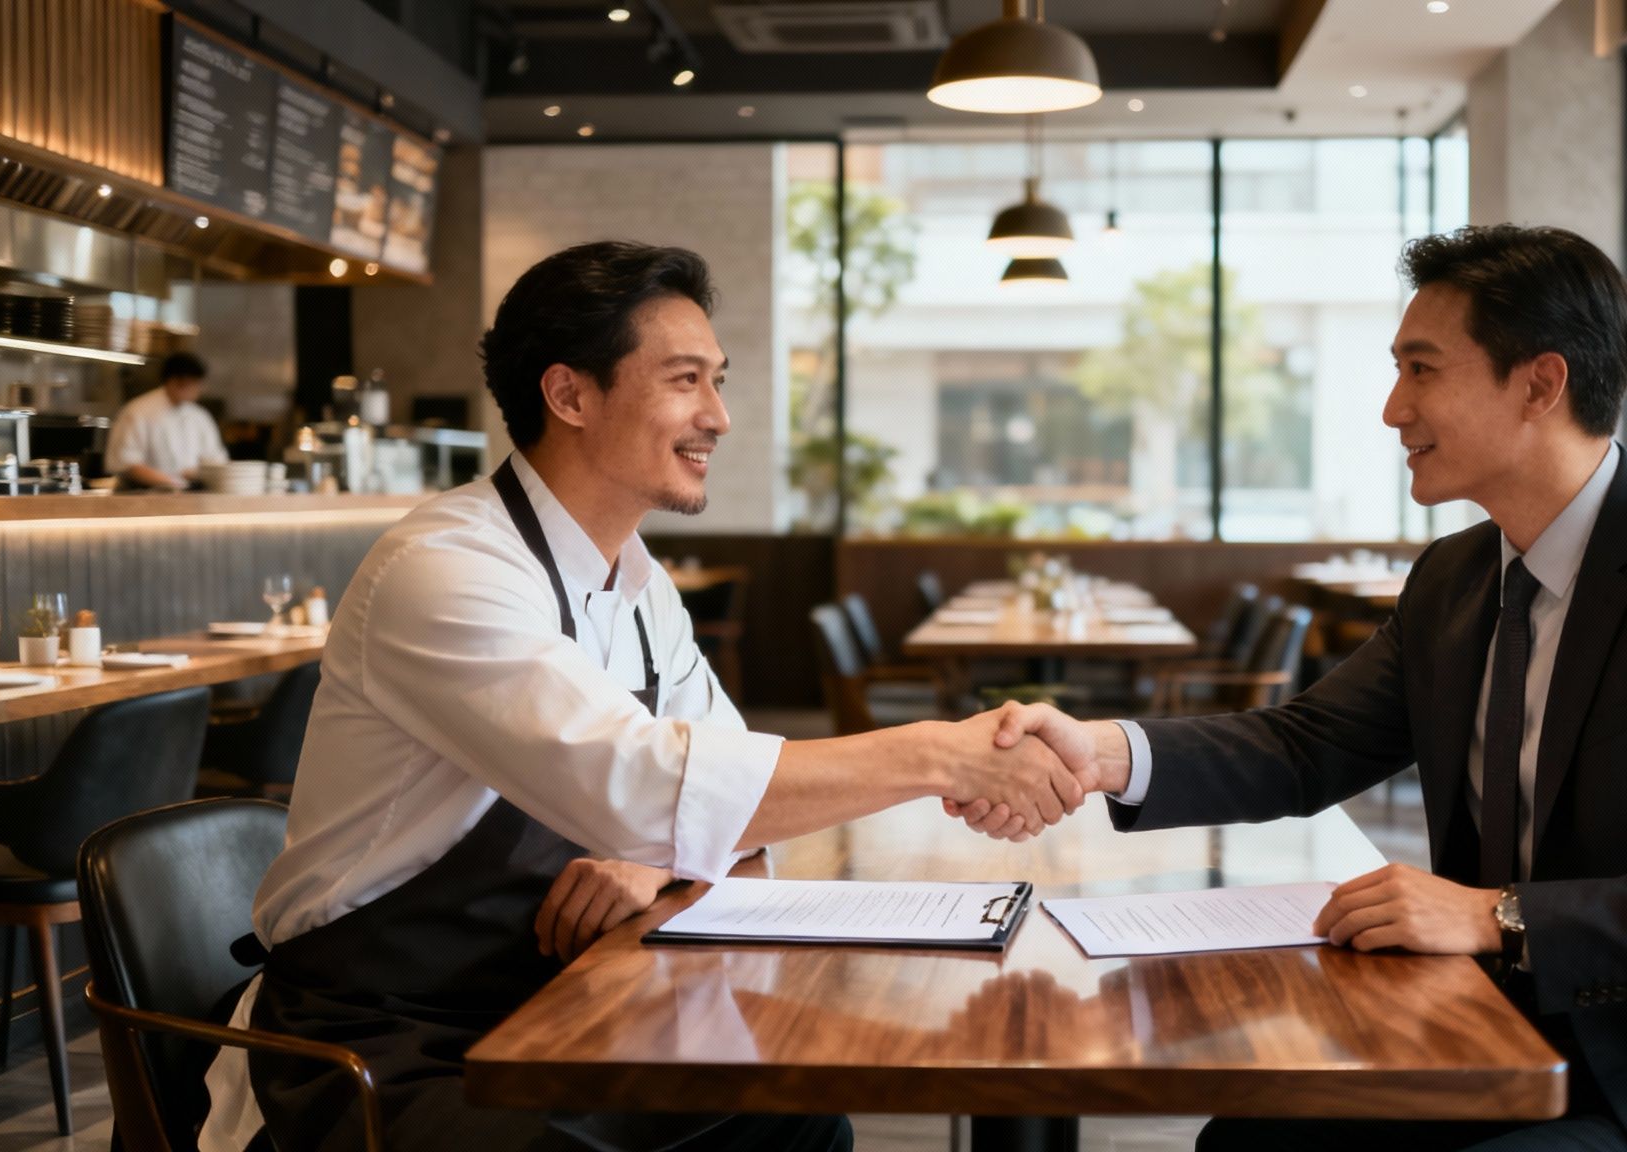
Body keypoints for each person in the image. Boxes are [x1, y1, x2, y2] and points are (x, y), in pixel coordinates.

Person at [954, 225, 1627, 1151]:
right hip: (1495, 1030)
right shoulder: (1455, 577)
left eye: (1422, 370)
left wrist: (1496, 915)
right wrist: (1102, 754)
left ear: (1540, 384)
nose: (1392, 409)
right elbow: (1308, 744)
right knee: (1249, 1142)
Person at [196, 242, 1090, 1152]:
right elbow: (645, 785)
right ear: (570, 395)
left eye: (717, 381)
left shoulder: (637, 579)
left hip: (553, 995)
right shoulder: (445, 569)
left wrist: (655, 863)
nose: (719, 416)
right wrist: (940, 754)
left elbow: (734, 792)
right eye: (685, 380)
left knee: (796, 1123)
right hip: (382, 1039)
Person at [104, 350, 230, 489]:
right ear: (174, 381)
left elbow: (216, 460)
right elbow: (127, 463)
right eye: (192, 384)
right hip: (142, 494)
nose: (198, 389)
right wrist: (172, 483)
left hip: (189, 494)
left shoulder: (199, 416)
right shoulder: (137, 411)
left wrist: (196, 474)